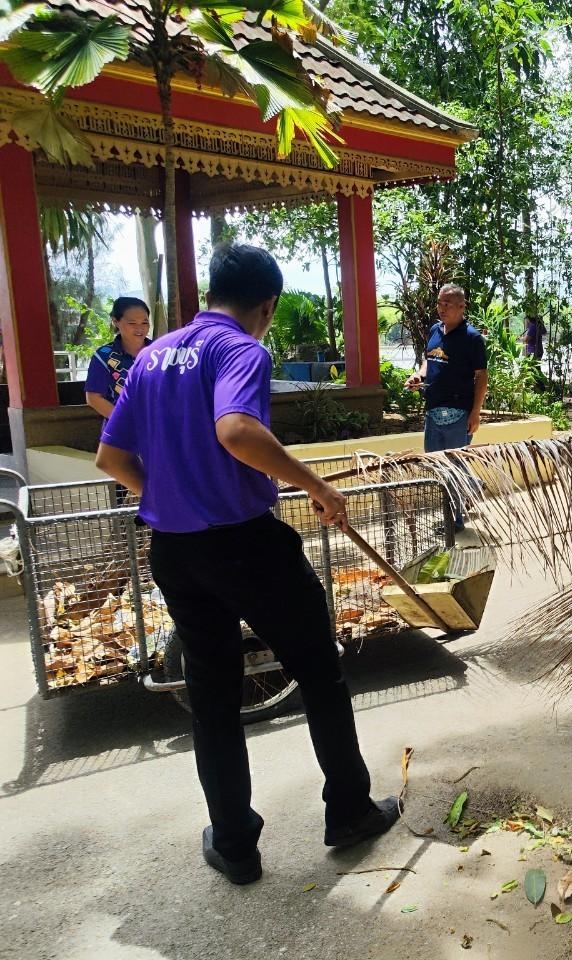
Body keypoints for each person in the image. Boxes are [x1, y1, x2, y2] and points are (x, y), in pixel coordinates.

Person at [95, 244, 399, 886]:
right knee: (319, 671)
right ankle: (348, 811)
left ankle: (234, 845)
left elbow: (112, 459)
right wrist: (317, 486)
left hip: (175, 551)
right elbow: (235, 429)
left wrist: (170, 494)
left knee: (212, 698)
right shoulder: (241, 350)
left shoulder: (149, 357)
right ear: (267, 305)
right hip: (245, 544)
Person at [405, 283, 488, 529]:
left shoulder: (472, 338)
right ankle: (470, 489)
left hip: (459, 414)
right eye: (439, 303)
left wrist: (475, 413)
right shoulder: (434, 330)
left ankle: (456, 521)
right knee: (437, 467)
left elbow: (481, 376)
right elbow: (428, 361)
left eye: (447, 304)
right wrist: (418, 376)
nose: (442, 308)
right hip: (433, 413)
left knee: (453, 467)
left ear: (462, 307)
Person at [84, 297, 152, 420]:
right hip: (121, 431)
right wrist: (124, 422)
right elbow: (93, 397)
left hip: (158, 427)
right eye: (132, 323)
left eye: (144, 322)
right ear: (116, 321)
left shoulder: (161, 352)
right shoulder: (104, 356)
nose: (139, 328)